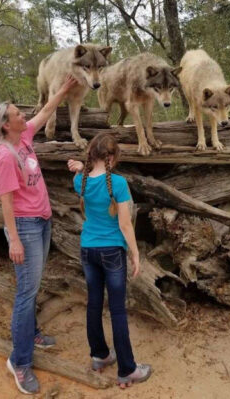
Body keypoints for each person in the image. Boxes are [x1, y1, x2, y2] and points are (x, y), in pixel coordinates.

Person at [0, 76, 79, 395]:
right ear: (5, 125)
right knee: (26, 292)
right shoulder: (3, 156)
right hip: (24, 227)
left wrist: (63, 91)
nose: (23, 115)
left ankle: (33, 332)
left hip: (42, 221)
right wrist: (13, 239)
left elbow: (44, 111)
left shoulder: (23, 137)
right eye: (17, 114)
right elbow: (6, 203)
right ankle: (20, 361)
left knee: (33, 285)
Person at [66, 132, 152, 388]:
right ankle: (127, 369)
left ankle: (99, 355)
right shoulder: (118, 184)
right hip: (112, 251)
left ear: (91, 154)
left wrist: (82, 167)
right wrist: (135, 253)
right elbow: (125, 224)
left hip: (88, 250)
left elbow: (86, 175)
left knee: (94, 303)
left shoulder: (78, 181)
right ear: (112, 157)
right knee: (117, 310)